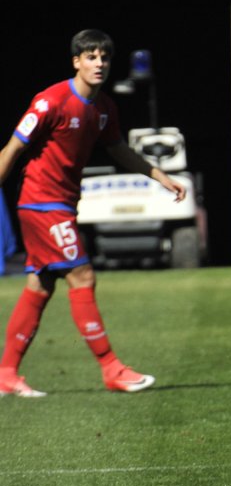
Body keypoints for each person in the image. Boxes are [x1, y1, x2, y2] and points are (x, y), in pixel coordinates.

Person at [0, 29, 187, 397]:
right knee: (82, 276)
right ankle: (111, 368)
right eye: (90, 57)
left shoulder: (103, 109)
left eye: (104, 58)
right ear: (76, 62)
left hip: (63, 204)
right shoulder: (50, 102)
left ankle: (6, 373)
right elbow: (12, 149)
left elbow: (118, 150)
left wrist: (159, 175)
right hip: (41, 204)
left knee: (41, 284)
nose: (98, 63)